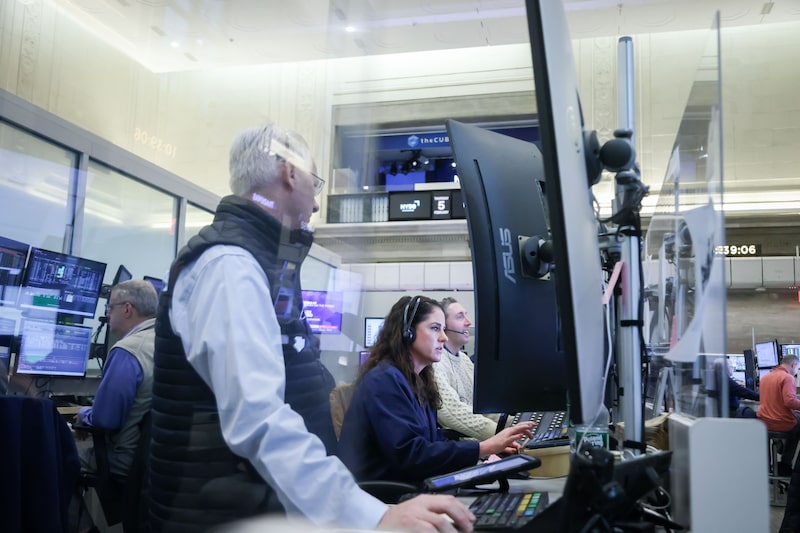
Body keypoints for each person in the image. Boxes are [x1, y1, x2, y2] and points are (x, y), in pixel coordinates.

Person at [148, 123, 476, 533]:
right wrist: (375, 516)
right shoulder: (230, 267)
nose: (317, 206)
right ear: (289, 173)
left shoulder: (259, 263)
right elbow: (260, 420)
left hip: (259, 505)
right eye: (315, 184)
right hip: (221, 515)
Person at [338, 295, 533, 485]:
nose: (443, 337)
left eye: (443, 329)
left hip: (413, 484)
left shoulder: (418, 379)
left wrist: (480, 458)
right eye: (434, 328)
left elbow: (430, 440)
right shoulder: (384, 381)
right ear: (408, 332)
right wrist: (484, 447)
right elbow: (411, 455)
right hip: (389, 496)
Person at [74, 279, 158, 475]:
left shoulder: (127, 351)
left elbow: (106, 420)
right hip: (154, 462)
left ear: (127, 309)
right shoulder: (168, 342)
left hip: (123, 461)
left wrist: (84, 415)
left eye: (110, 307)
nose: (107, 313)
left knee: (56, 457)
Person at [432, 296, 499, 440]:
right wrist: (501, 435)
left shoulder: (464, 360)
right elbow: (451, 412)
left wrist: (517, 425)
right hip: (465, 451)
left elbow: (484, 408)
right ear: (443, 326)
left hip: (482, 445)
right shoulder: (436, 363)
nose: (468, 323)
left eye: (466, 315)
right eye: (459, 317)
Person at [757, 354, 800, 476]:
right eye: (797, 369)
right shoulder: (788, 378)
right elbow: (790, 401)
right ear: (793, 365)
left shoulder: (766, 377)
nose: (796, 372)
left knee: (796, 419)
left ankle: (781, 446)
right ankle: (785, 464)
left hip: (764, 422)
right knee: (798, 423)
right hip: (780, 423)